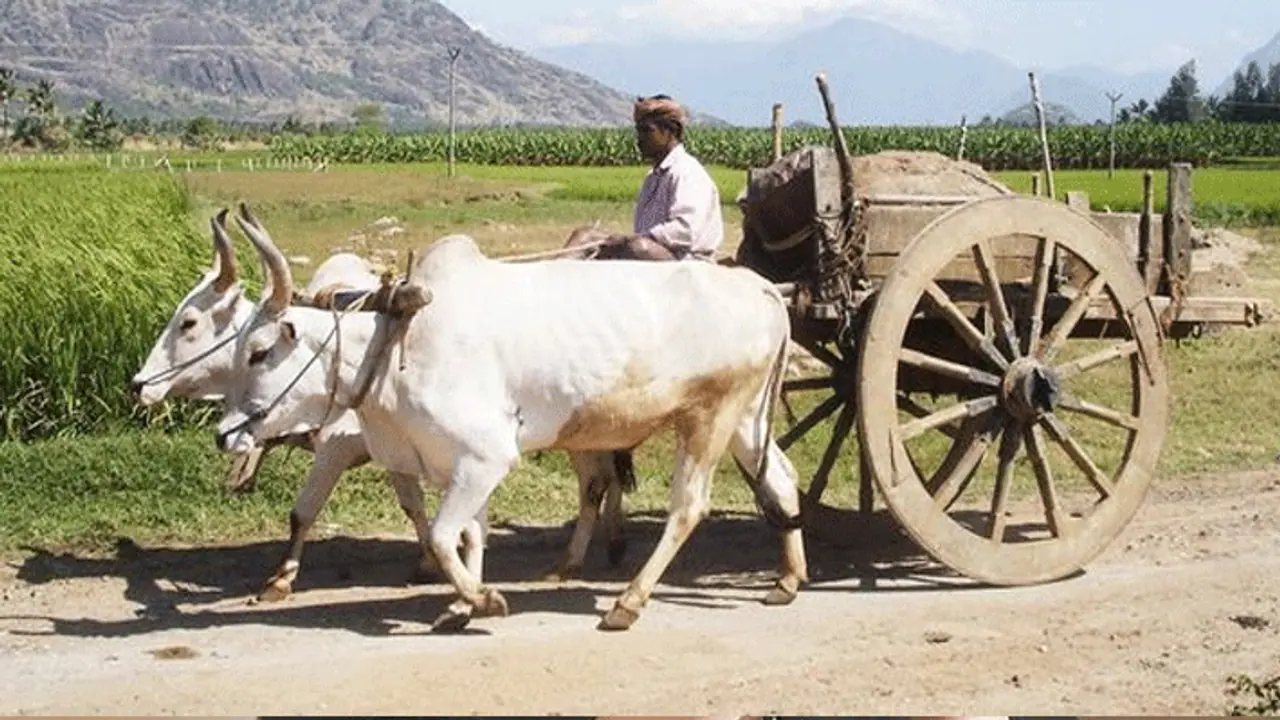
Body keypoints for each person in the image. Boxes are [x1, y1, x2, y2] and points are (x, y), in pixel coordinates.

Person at [588, 94, 725, 262]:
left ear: (671, 131)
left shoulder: (687, 172)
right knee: (586, 237)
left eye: (647, 131)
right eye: (638, 131)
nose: (639, 139)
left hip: (686, 260)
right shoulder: (652, 177)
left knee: (638, 247)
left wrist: (627, 241)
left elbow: (685, 232)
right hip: (656, 251)